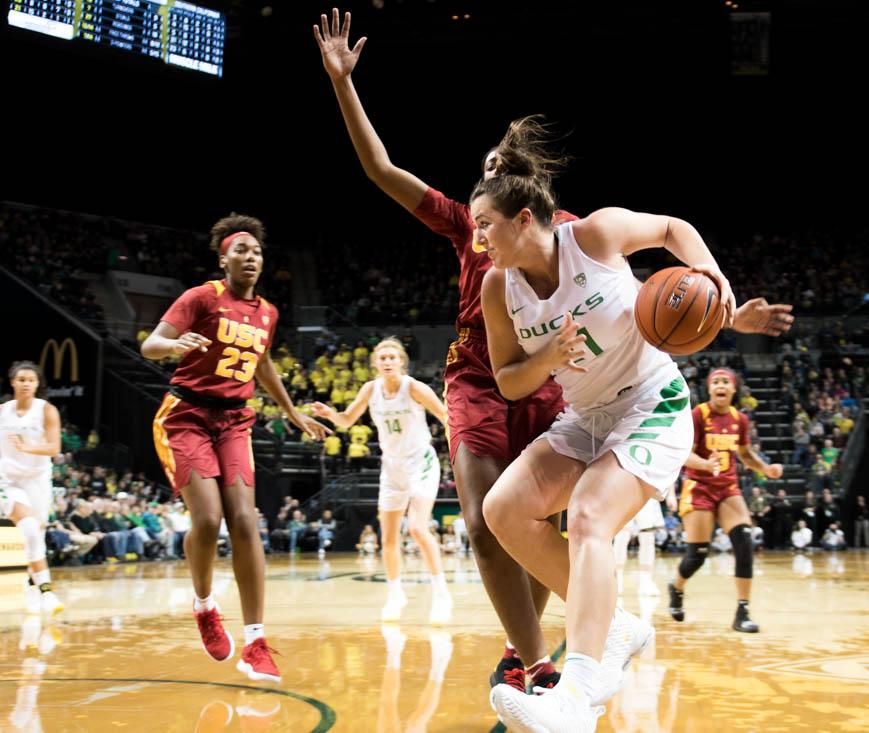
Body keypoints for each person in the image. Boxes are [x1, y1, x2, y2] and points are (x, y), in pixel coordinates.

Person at [472, 118, 793, 728]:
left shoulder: (594, 235)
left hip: (653, 402)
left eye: (485, 224)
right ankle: (613, 623)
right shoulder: (498, 288)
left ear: (522, 220)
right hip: (588, 413)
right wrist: (547, 358)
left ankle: (577, 697)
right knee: (503, 509)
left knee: (591, 515)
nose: (478, 236)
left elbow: (675, 229)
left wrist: (717, 288)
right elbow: (510, 380)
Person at [314, 8, 574, 693]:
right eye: (483, 166)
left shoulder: (572, 233)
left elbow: (634, 280)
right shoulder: (468, 225)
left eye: (499, 167)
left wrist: (720, 307)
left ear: (530, 192)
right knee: (488, 523)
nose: (484, 173)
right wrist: (344, 83)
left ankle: (523, 655)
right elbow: (378, 167)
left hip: (547, 385)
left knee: (533, 526)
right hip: (476, 383)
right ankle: (540, 662)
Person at [141, 214, 330, 683]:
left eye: (258, 252)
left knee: (246, 520)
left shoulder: (267, 312)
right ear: (223, 258)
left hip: (234, 421)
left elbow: (263, 363)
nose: (251, 257)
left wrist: (291, 412)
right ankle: (205, 605)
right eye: (241, 250)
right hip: (185, 416)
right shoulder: (201, 297)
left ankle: (256, 642)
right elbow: (151, 344)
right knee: (207, 520)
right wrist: (172, 343)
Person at [311, 338, 453, 624]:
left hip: (420, 462)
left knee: (416, 527)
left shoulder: (413, 387)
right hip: (392, 466)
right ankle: (395, 593)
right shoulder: (370, 389)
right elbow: (347, 420)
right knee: (387, 538)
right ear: (375, 363)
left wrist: (457, 450)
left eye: (392, 357)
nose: (387, 361)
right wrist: (330, 415)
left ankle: (441, 593)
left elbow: (445, 416)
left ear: (402, 361)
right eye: (382, 357)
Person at [668, 369, 782, 633]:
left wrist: (766, 469)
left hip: (728, 487)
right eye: (715, 382)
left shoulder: (739, 419)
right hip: (699, 486)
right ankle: (676, 587)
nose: (720, 386)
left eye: (725, 382)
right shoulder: (698, 414)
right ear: (710, 389)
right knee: (697, 555)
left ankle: (742, 611)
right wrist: (706, 464)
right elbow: (685, 453)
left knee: (744, 540)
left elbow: (745, 453)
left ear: (733, 389)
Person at [0, 362, 64, 616]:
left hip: (37, 479)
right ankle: (47, 591)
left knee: (35, 532)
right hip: (7, 480)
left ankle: (30, 585)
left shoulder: (46, 410)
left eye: (31, 380)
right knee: (28, 527)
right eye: (21, 379)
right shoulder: (2, 411)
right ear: (13, 382)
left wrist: (27, 448)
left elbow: (54, 448)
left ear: (38, 384)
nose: (26, 383)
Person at [613, 498, 664, 597]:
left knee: (648, 537)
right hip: (623, 491)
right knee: (621, 536)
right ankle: (616, 580)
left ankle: (646, 581)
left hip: (648, 491)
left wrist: (670, 494)